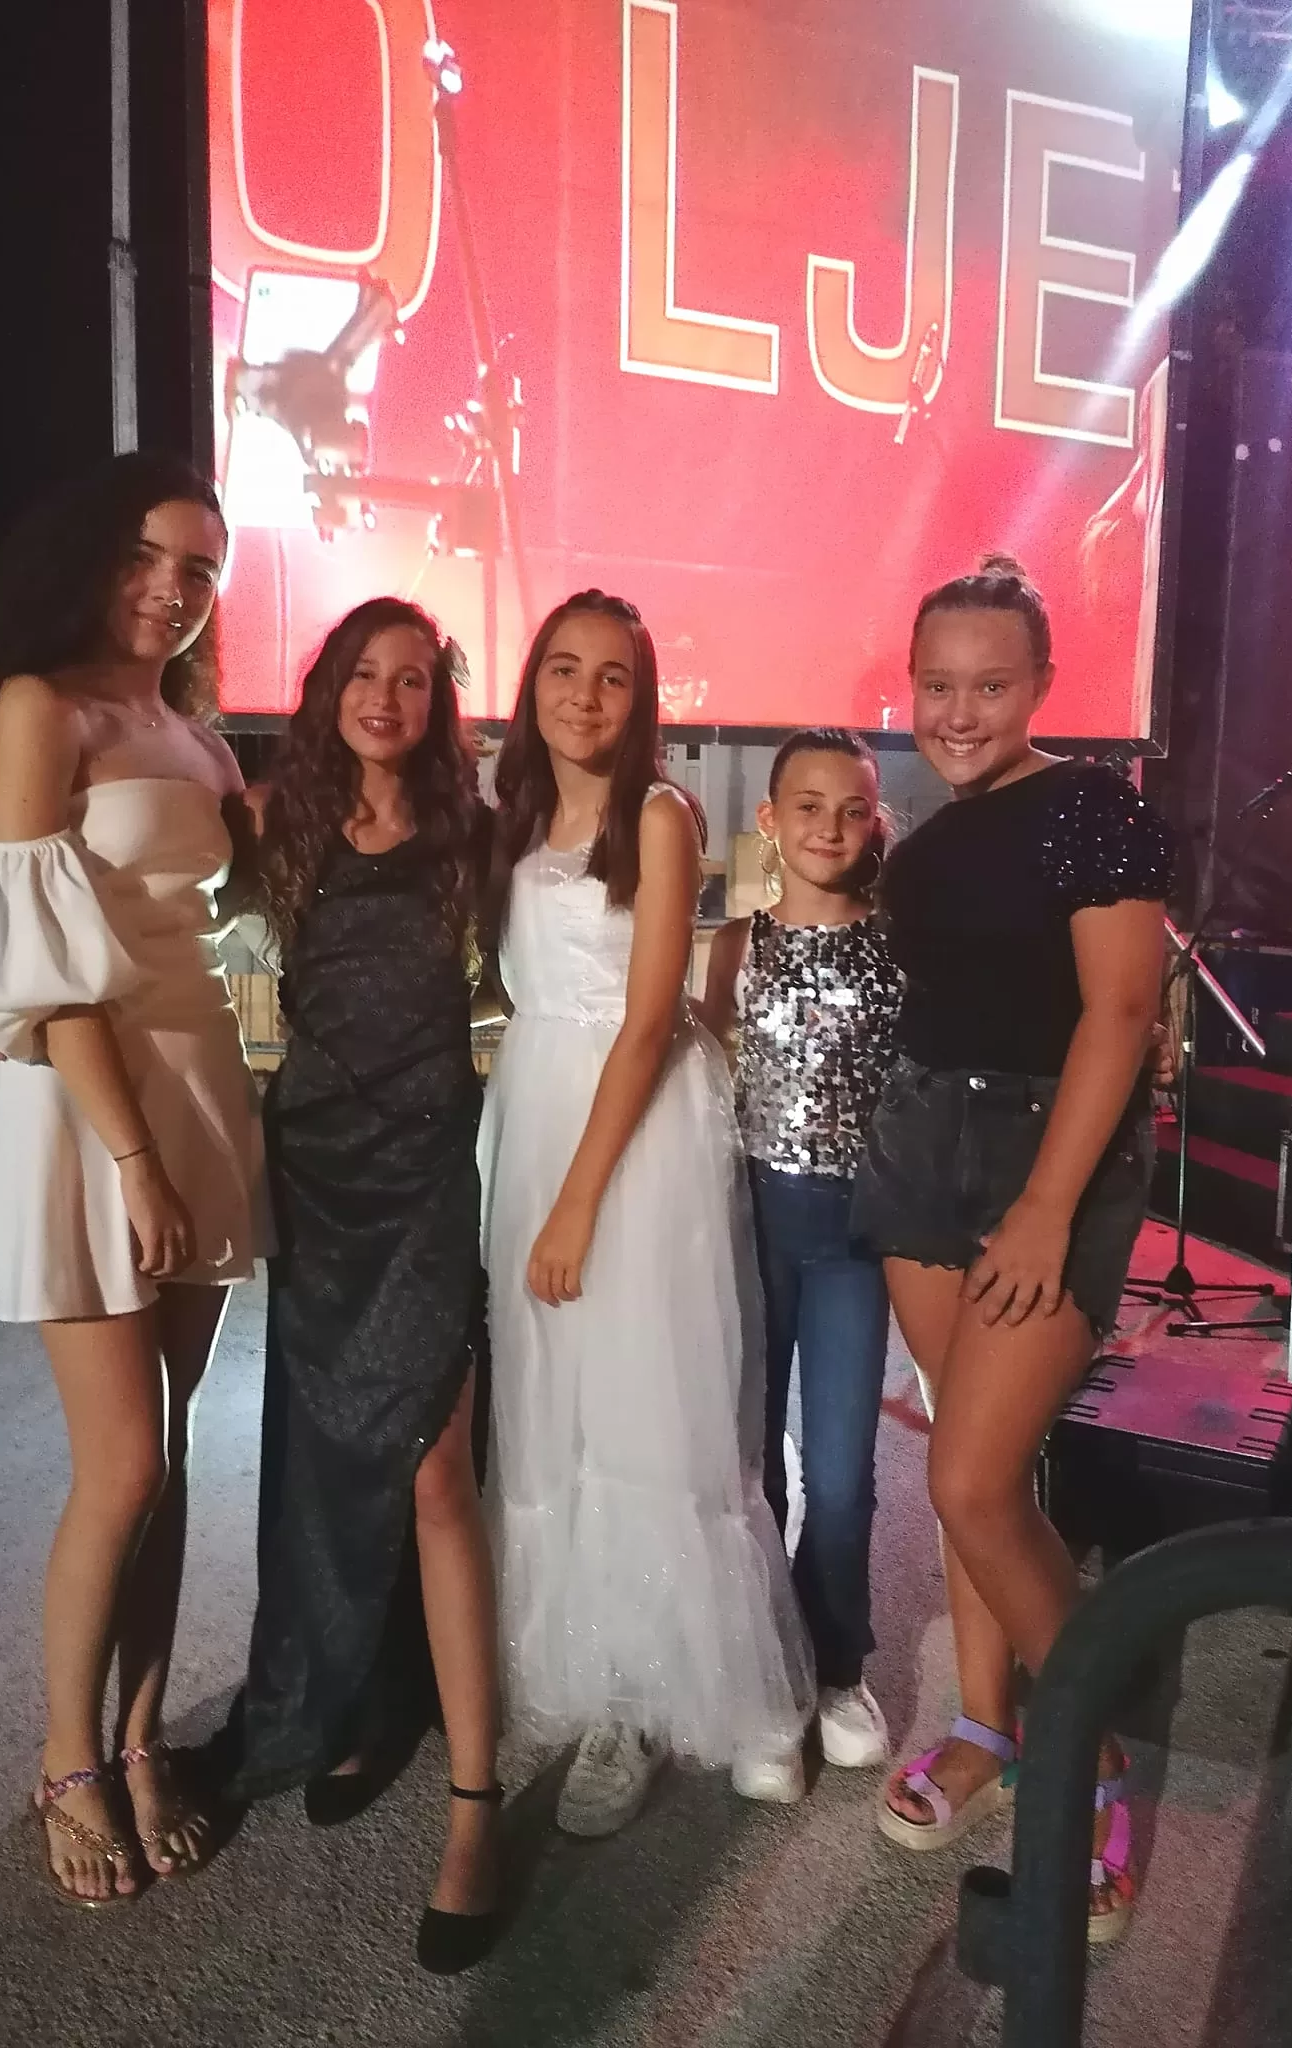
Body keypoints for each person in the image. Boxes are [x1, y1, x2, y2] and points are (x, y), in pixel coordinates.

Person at [0, 452, 265, 1906]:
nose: (171, 591)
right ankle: (66, 1755)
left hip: (200, 1091)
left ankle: (139, 1735)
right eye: (148, 556)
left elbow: (249, 911)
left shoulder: (198, 741)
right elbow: (45, 975)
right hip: (85, 1111)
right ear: (89, 555)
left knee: (167, 1453)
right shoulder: (38, 708)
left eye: (201, 572)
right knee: (120, 1460)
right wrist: (133, 1160)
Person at [851, 555, 1172, 1944]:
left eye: (989, 685)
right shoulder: (926, 841)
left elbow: (1120, 1015)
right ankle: (987, 1724)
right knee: (970, 1473)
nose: (959, 711)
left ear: (1043, 682)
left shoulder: (1095, 806)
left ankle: (1089, 1762)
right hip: (923, 1146)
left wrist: (1045, 1207)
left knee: (973, 1480)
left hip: (1050, 1161)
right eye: (938, 684)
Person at [479, 590, 814, 1840]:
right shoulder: (514, 816)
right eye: (563, 669)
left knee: (652, 1403)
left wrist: (577, 1202)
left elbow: (648, 1017)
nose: (584, 695)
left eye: (612, 675)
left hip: (630, 1135)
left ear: (643, 695)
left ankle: (703, 1693)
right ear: (532, 685)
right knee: (558, 1407)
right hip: (534, 1112)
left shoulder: (659, 815)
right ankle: (598, 1686)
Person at [230, 598, 502, 1974]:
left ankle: (475, 1803)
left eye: (412, 680)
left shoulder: (475, 834)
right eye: (365, 674)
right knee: (335, 1458)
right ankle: (361, 1701)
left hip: (431, 1178)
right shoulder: (273, 823)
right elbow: (221, 981)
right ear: (329, 686)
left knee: (437, 1471)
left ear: (437, 703)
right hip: (319, 1181)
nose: (387, 698)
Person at [698, 730, 903, 1774]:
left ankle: (838, 1663)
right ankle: (767, 1669)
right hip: (754, 1224)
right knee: (749, 1459)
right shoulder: (737, 945)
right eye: (808, 806)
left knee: (843, 1469)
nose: (830, 826)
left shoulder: (901, 947)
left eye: (852, 808)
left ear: (875, 821)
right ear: (770, 819)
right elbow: (702, 1077)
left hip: (855, 1239)